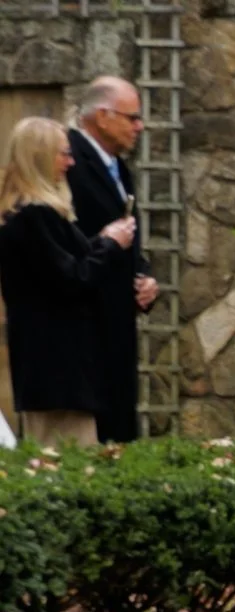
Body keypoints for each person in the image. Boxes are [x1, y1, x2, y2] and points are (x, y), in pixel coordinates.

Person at [0, 116, 136, 448]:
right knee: (68, 462)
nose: (71, 162)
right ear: (41, 157)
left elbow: (61, 268)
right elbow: (71, 279)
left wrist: (100, 241)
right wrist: (110, 244)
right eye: (64, 153)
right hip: (58, 372)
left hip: (55, 372)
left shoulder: (29, 214)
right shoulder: (34, 215)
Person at [66, 77, 155, 444]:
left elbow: (128, 239)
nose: (140, 126)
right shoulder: (71, 162)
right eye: (132, 117)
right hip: (84, 327)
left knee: (121, 432)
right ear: (102, 116)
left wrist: (144, 278)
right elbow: (69, 242)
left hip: (117, 321)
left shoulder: (117, 166)